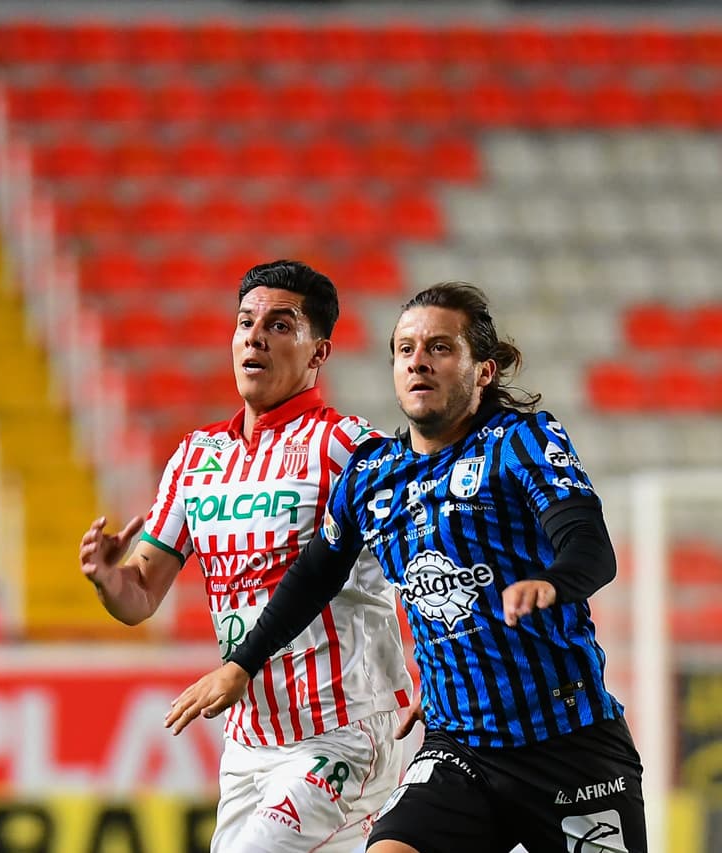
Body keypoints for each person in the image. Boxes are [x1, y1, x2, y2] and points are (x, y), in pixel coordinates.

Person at [165, 282, 647, 852]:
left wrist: (550, 583)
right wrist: (241, 664)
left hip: (567, 744)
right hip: (457, 749)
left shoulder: (522, 442)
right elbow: (313, 579)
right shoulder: (373, 476)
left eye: (440, 348)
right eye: (405, 349)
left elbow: (591, 545)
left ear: (483, 370)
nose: (418, 361)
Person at [79, 260, 414, 852]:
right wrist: (110, 579)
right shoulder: (195, 457)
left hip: (342, 732)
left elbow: (427, 567)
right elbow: (140, 598)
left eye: (281, 325)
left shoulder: (350, 447)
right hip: (249, 742)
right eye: (245, 322)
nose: (255, 336)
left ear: (319, 353)